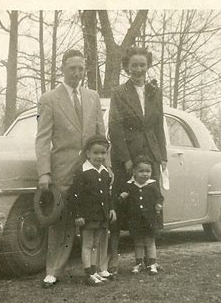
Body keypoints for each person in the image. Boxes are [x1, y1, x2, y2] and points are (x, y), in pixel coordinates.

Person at [35, 49, 105, 288]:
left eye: (81, 69)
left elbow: (100, 135)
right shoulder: (49, 99)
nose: (77, 73)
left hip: (90, 168)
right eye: (72, 68)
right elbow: (42, 139)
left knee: (96, 215)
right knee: (61, 220)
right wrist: (44, 172)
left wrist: (106, 166)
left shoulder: (93, 96)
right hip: (63, 168)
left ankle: (97, 267)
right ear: (62, 69)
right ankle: (53, 270)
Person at [108, 46, 167, 274]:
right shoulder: (119, 93)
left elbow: (159, 125)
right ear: (127, 67)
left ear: (147, 66)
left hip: (150, 157)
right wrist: (125, 159)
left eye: (142, 65)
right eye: (134, 65)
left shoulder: (155, 92)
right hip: (128, 157)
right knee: (121, 204)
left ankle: (150, 260)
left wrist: (161, 156)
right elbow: (115, 127)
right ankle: (113, 260)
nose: (139, 69)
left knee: (151, 204)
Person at [68, 135, 117, 286]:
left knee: (96, 243)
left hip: (101, 215)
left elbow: (108, 194)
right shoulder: (82, 172)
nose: (99, 156)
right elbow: (73, 195)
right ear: (88, 153)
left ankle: (95, 271)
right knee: (88, 244)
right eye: (96, 153)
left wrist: (112, 209)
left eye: (103, 153)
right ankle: (88, 273)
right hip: (87, 216)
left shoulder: (105, 173)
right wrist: (77, 215)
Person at [117, 156, 164, 273]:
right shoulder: (130, 185)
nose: (145, 174)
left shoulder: (152, 185)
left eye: (148, 171)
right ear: (134, 172)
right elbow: (124, 200)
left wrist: (158, 204)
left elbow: (159, 197)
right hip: (135, 219)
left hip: (150, 219)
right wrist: (122, 197)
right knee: (138, 242)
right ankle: (139, 263)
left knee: (150, 241)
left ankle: (152, 263)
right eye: (141, 171)